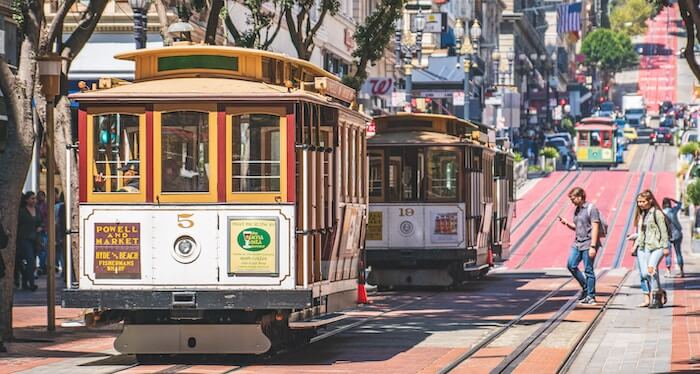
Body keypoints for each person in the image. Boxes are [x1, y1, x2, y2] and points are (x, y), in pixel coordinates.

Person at [558, 187, 600, 305]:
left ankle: (591, 296)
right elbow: (578, 227)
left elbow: (595, 226)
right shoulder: (577, 210)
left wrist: (593, 246)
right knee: (571, 265)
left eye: (573, 199)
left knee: (588, 270)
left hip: (588, 242)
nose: (572, 202)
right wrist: (567, 224)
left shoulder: (592, 209)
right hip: (577, 242)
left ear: (580, 197)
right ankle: (586, 288)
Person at [628, 190, 668, 309]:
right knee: (645, 274)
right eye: (639, 202)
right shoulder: (643, 214)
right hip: (644, 246)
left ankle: (656, 298)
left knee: (651, 269)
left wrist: (665, 247)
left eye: (642, 201)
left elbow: (664, 230)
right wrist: (635, 244)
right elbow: (642, 233)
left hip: (657, 246)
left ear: (650, 201)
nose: (640, 204)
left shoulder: (657, 213)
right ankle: (660, 292)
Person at [16, 192, 41, 291]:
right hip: (24, 239)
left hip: (35, 239)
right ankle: (31, 283)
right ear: (26, 200)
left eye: (35, 198)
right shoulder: (21, 212)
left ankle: (25, 282)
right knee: (30, 261)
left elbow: (40, 222)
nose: (34, 200)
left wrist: (39, 227)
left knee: (32, 262)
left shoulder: (37, 210)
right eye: (32, 198)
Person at [662, 197, 684, 278]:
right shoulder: (674, 210)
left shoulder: (661, 212)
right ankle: (681, 271)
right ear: (669, 203)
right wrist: (673, 199)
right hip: (677, 234)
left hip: (667, 235)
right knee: (678, 253)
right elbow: (680, 204)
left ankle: (668, 271)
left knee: (668, 254)